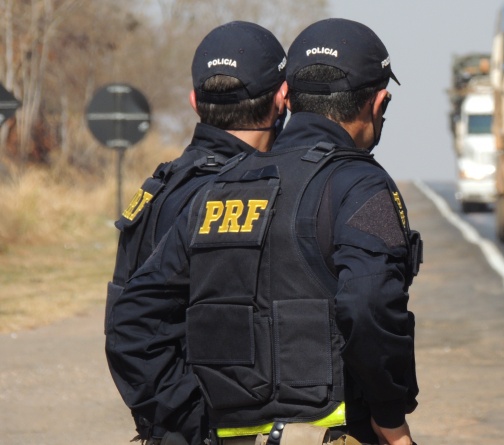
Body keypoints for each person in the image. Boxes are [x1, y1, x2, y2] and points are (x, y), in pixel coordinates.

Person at [107, 17, 422, 445]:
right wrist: (391, 418)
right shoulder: (363, 186)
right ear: (379, 102)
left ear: (288, 97)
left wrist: (190, 425)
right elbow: (368, 303)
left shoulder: (222, 185)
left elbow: (132, 320)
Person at [105, 21, 288, 445]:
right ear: (283, 99)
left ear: (193, 101)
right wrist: (200, 424)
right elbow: (133, 324)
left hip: (166, 423)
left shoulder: (162, 186)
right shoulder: (235, 195)